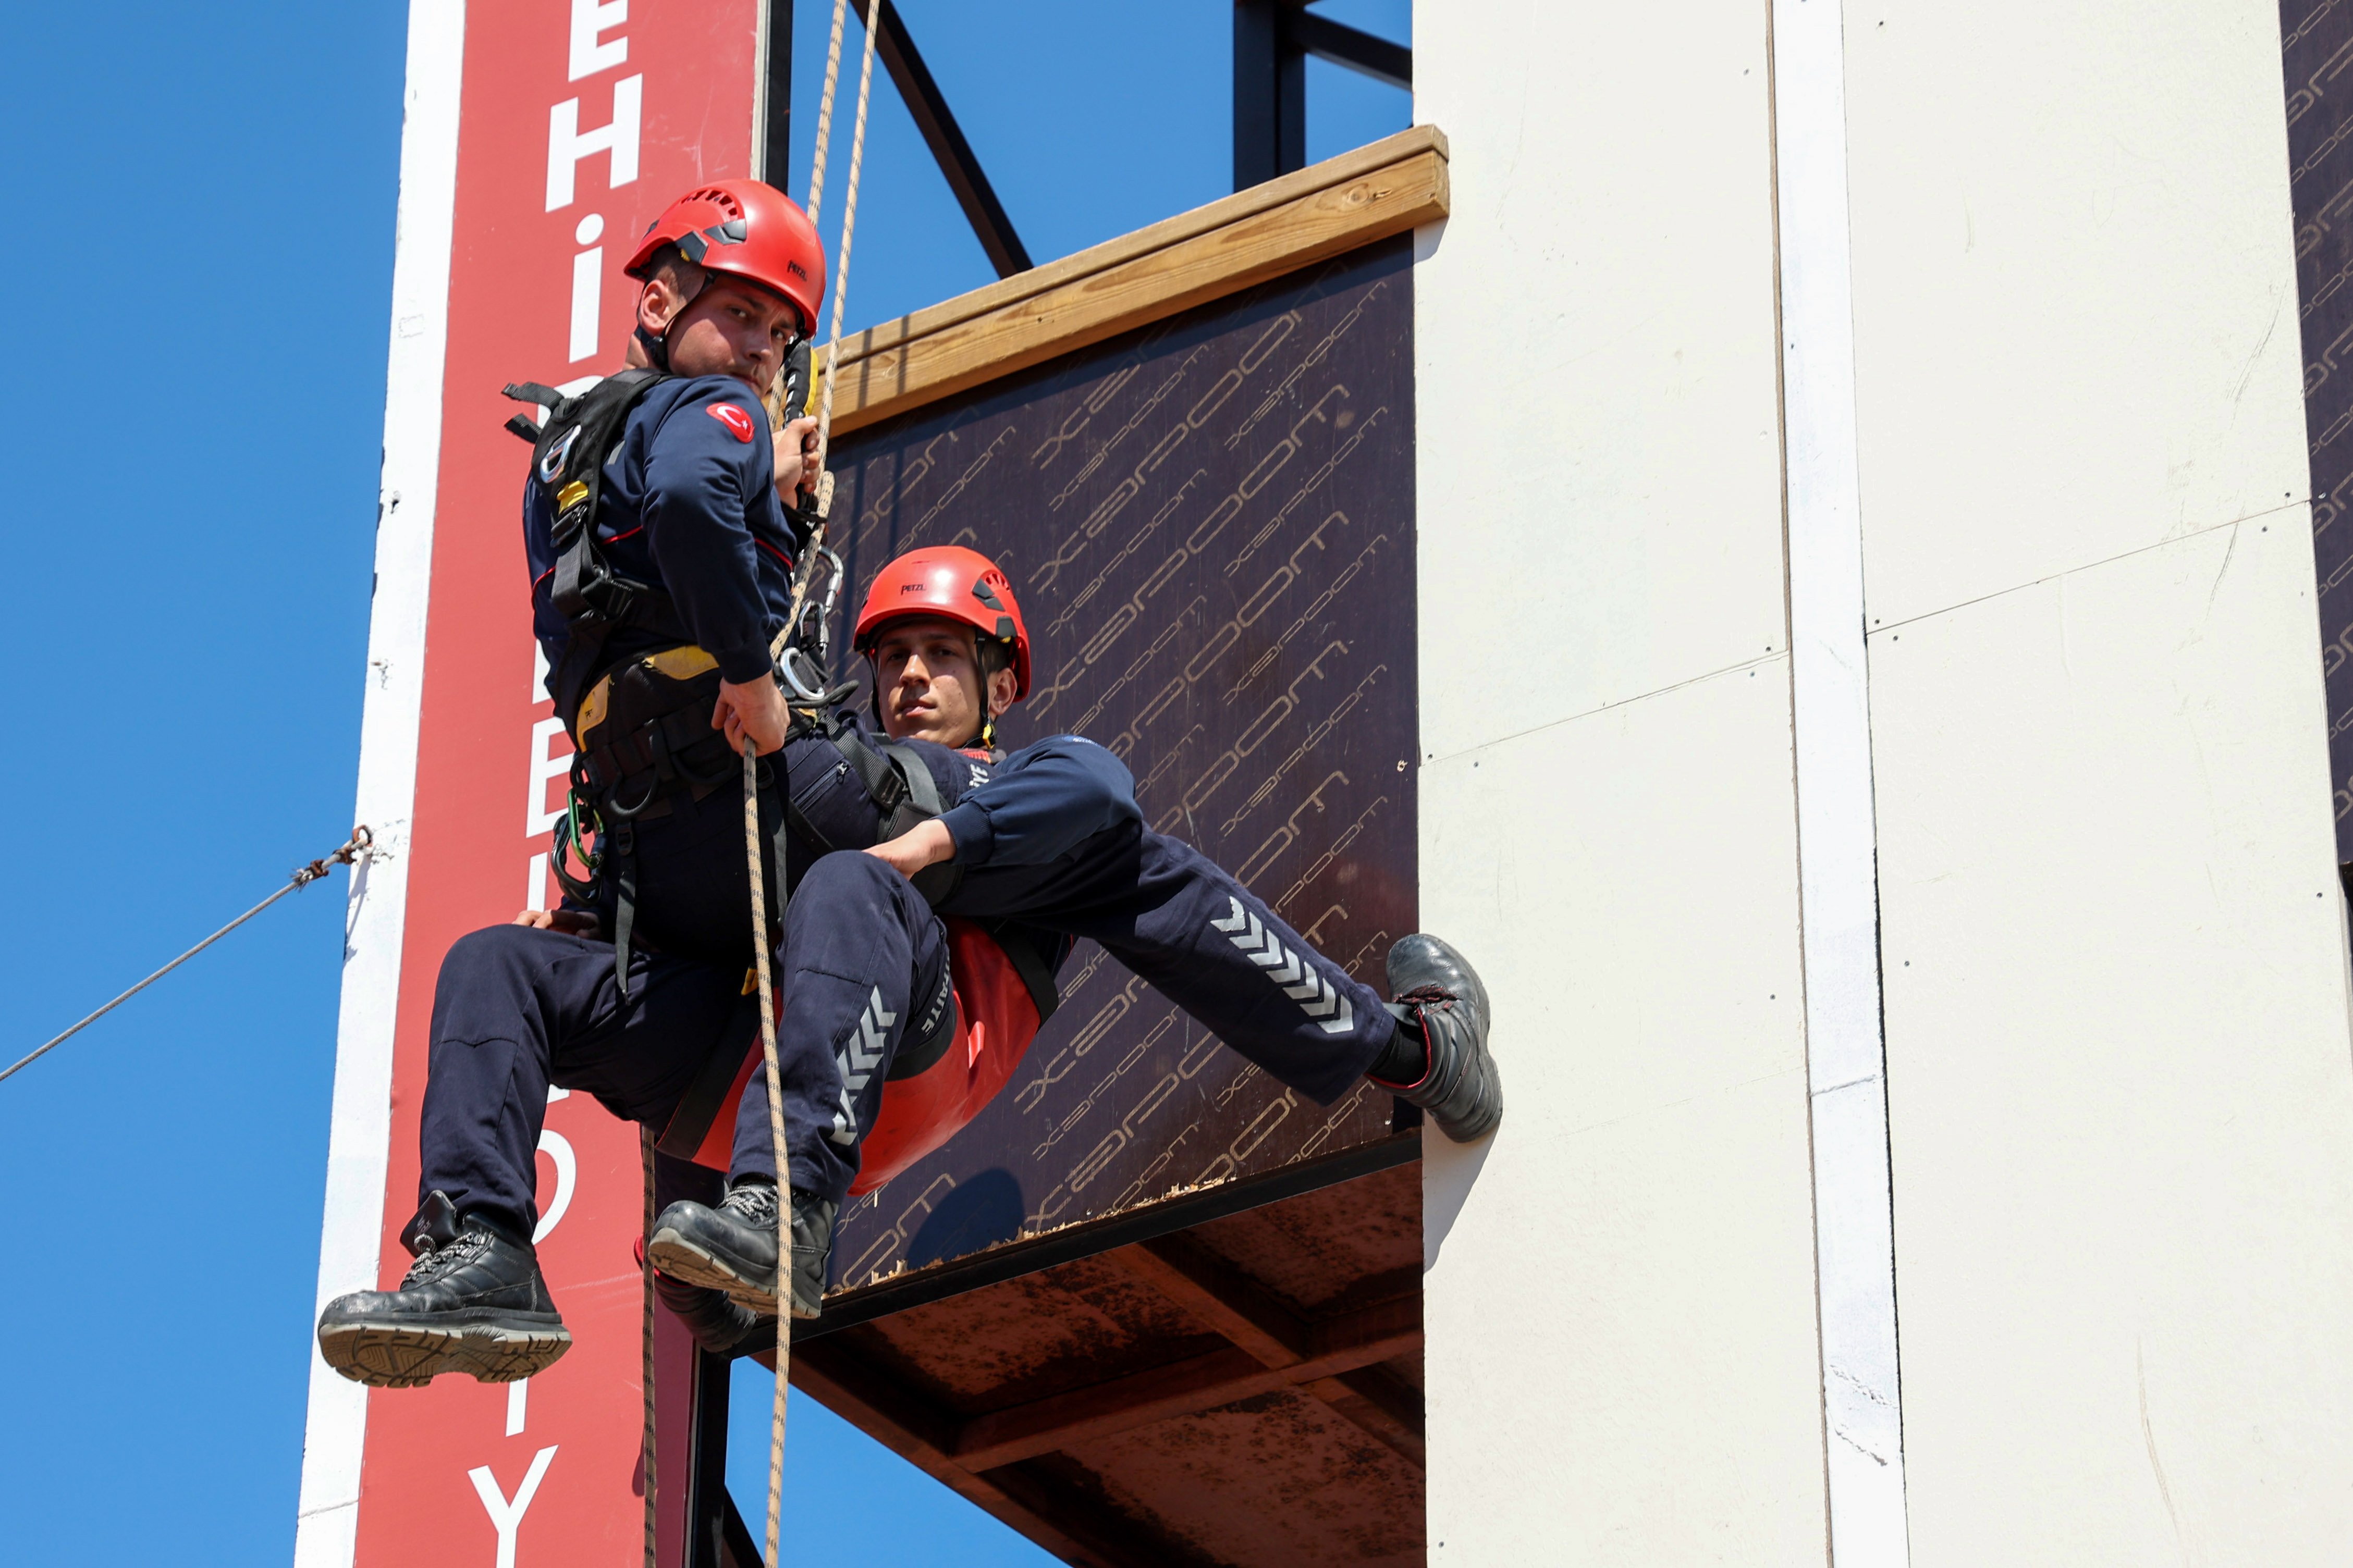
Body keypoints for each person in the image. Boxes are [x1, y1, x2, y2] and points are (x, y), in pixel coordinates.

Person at [643, 547, 1500, 1327]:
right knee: (716, 952)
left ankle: (1403, 1050)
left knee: (1128, 857)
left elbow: (1095, 783)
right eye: (894, 656)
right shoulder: (842, 785)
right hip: (822, 1109)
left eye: (942, 654)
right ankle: (1415, 1053)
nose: (911, 675)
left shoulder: (1030, 785)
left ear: (1001, 686)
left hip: (926, 1052)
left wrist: (936, 841)